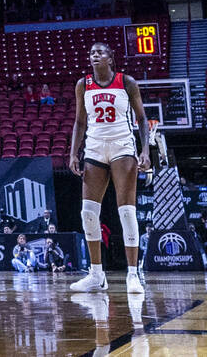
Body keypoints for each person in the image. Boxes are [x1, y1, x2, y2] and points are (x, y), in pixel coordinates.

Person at [69, 42, 149, 296]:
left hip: (122, 146)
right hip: (94, 148)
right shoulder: (83, 85)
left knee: (126, 211)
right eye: (91, 52)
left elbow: (143, 119)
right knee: (88, 214)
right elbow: (80, 121)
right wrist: (73, 152)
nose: (94, 55)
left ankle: (133, 274)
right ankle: (96, 275)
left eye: (99, 52)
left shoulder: (127, 82)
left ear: (110, 59)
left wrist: (145, 150)